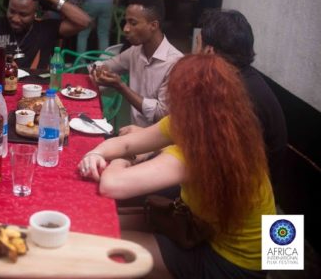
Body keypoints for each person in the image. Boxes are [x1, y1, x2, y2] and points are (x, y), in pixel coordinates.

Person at [79, 54, 275, 278]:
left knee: (100, 241)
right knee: (101, 223)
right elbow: (126, 143)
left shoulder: (194, 153)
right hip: (246, 234)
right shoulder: (229, 124)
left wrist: (126, 158)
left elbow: (112, 185)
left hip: (239, 263)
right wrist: (96, 152)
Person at [196, 9, 287, 195]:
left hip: (248, 197)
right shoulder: (237, 79)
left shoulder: (239, 96)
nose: (194, 53)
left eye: (198, 44)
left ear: (209, 51)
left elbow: (217, 163)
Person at [90, 0, 183, 127]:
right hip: (134, 133)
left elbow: (161, 115)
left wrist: (121, 86)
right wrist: (99, 70)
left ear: (153, 25)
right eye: (126, 22)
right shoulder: (135, 52)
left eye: (133, 23)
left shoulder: (175, 63)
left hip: (158, 139)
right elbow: (103, 65)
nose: (125, 29)